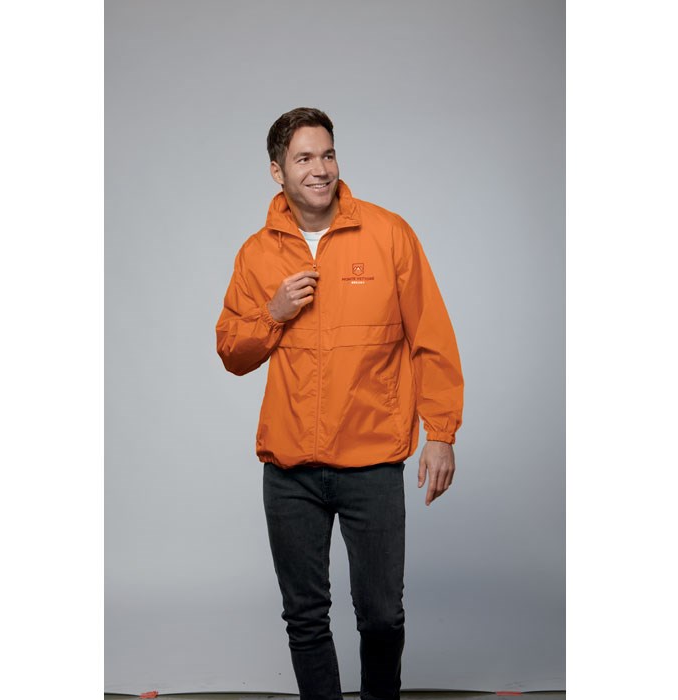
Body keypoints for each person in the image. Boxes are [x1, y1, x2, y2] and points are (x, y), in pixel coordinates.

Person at [215, 107, 463, 700]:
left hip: (371, 462)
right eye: (303, 158)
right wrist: (273, 313)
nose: (320, 169)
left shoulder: (388, 234)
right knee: (305, 618)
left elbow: (430, 336)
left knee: (381, 617)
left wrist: (441, 432)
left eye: (327, 154)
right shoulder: (257, 254)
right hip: (289, 470)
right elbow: (231, 352)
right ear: (277, 170)